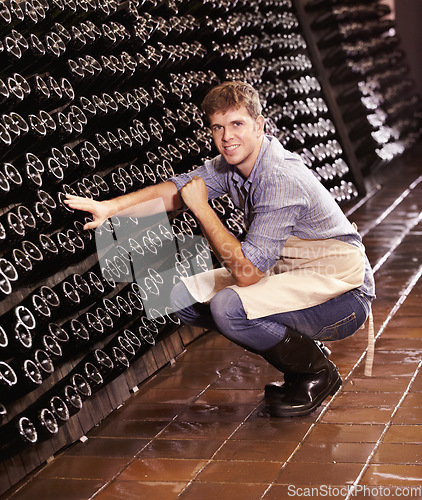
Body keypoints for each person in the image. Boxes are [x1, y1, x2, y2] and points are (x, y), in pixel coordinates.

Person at [65, 81, 375, 418]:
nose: (227, 137)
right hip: (294, 274)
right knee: (181, 295)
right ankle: (301, 357)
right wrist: (110, 208)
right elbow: (175, 191)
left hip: (343, 295)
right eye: (218, 127)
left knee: (229, 308)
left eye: (237, 124)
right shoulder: (231, 166)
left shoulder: (280, 178)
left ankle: (315, 373)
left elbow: (247, 274)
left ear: (259, 125)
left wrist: (202, 210)